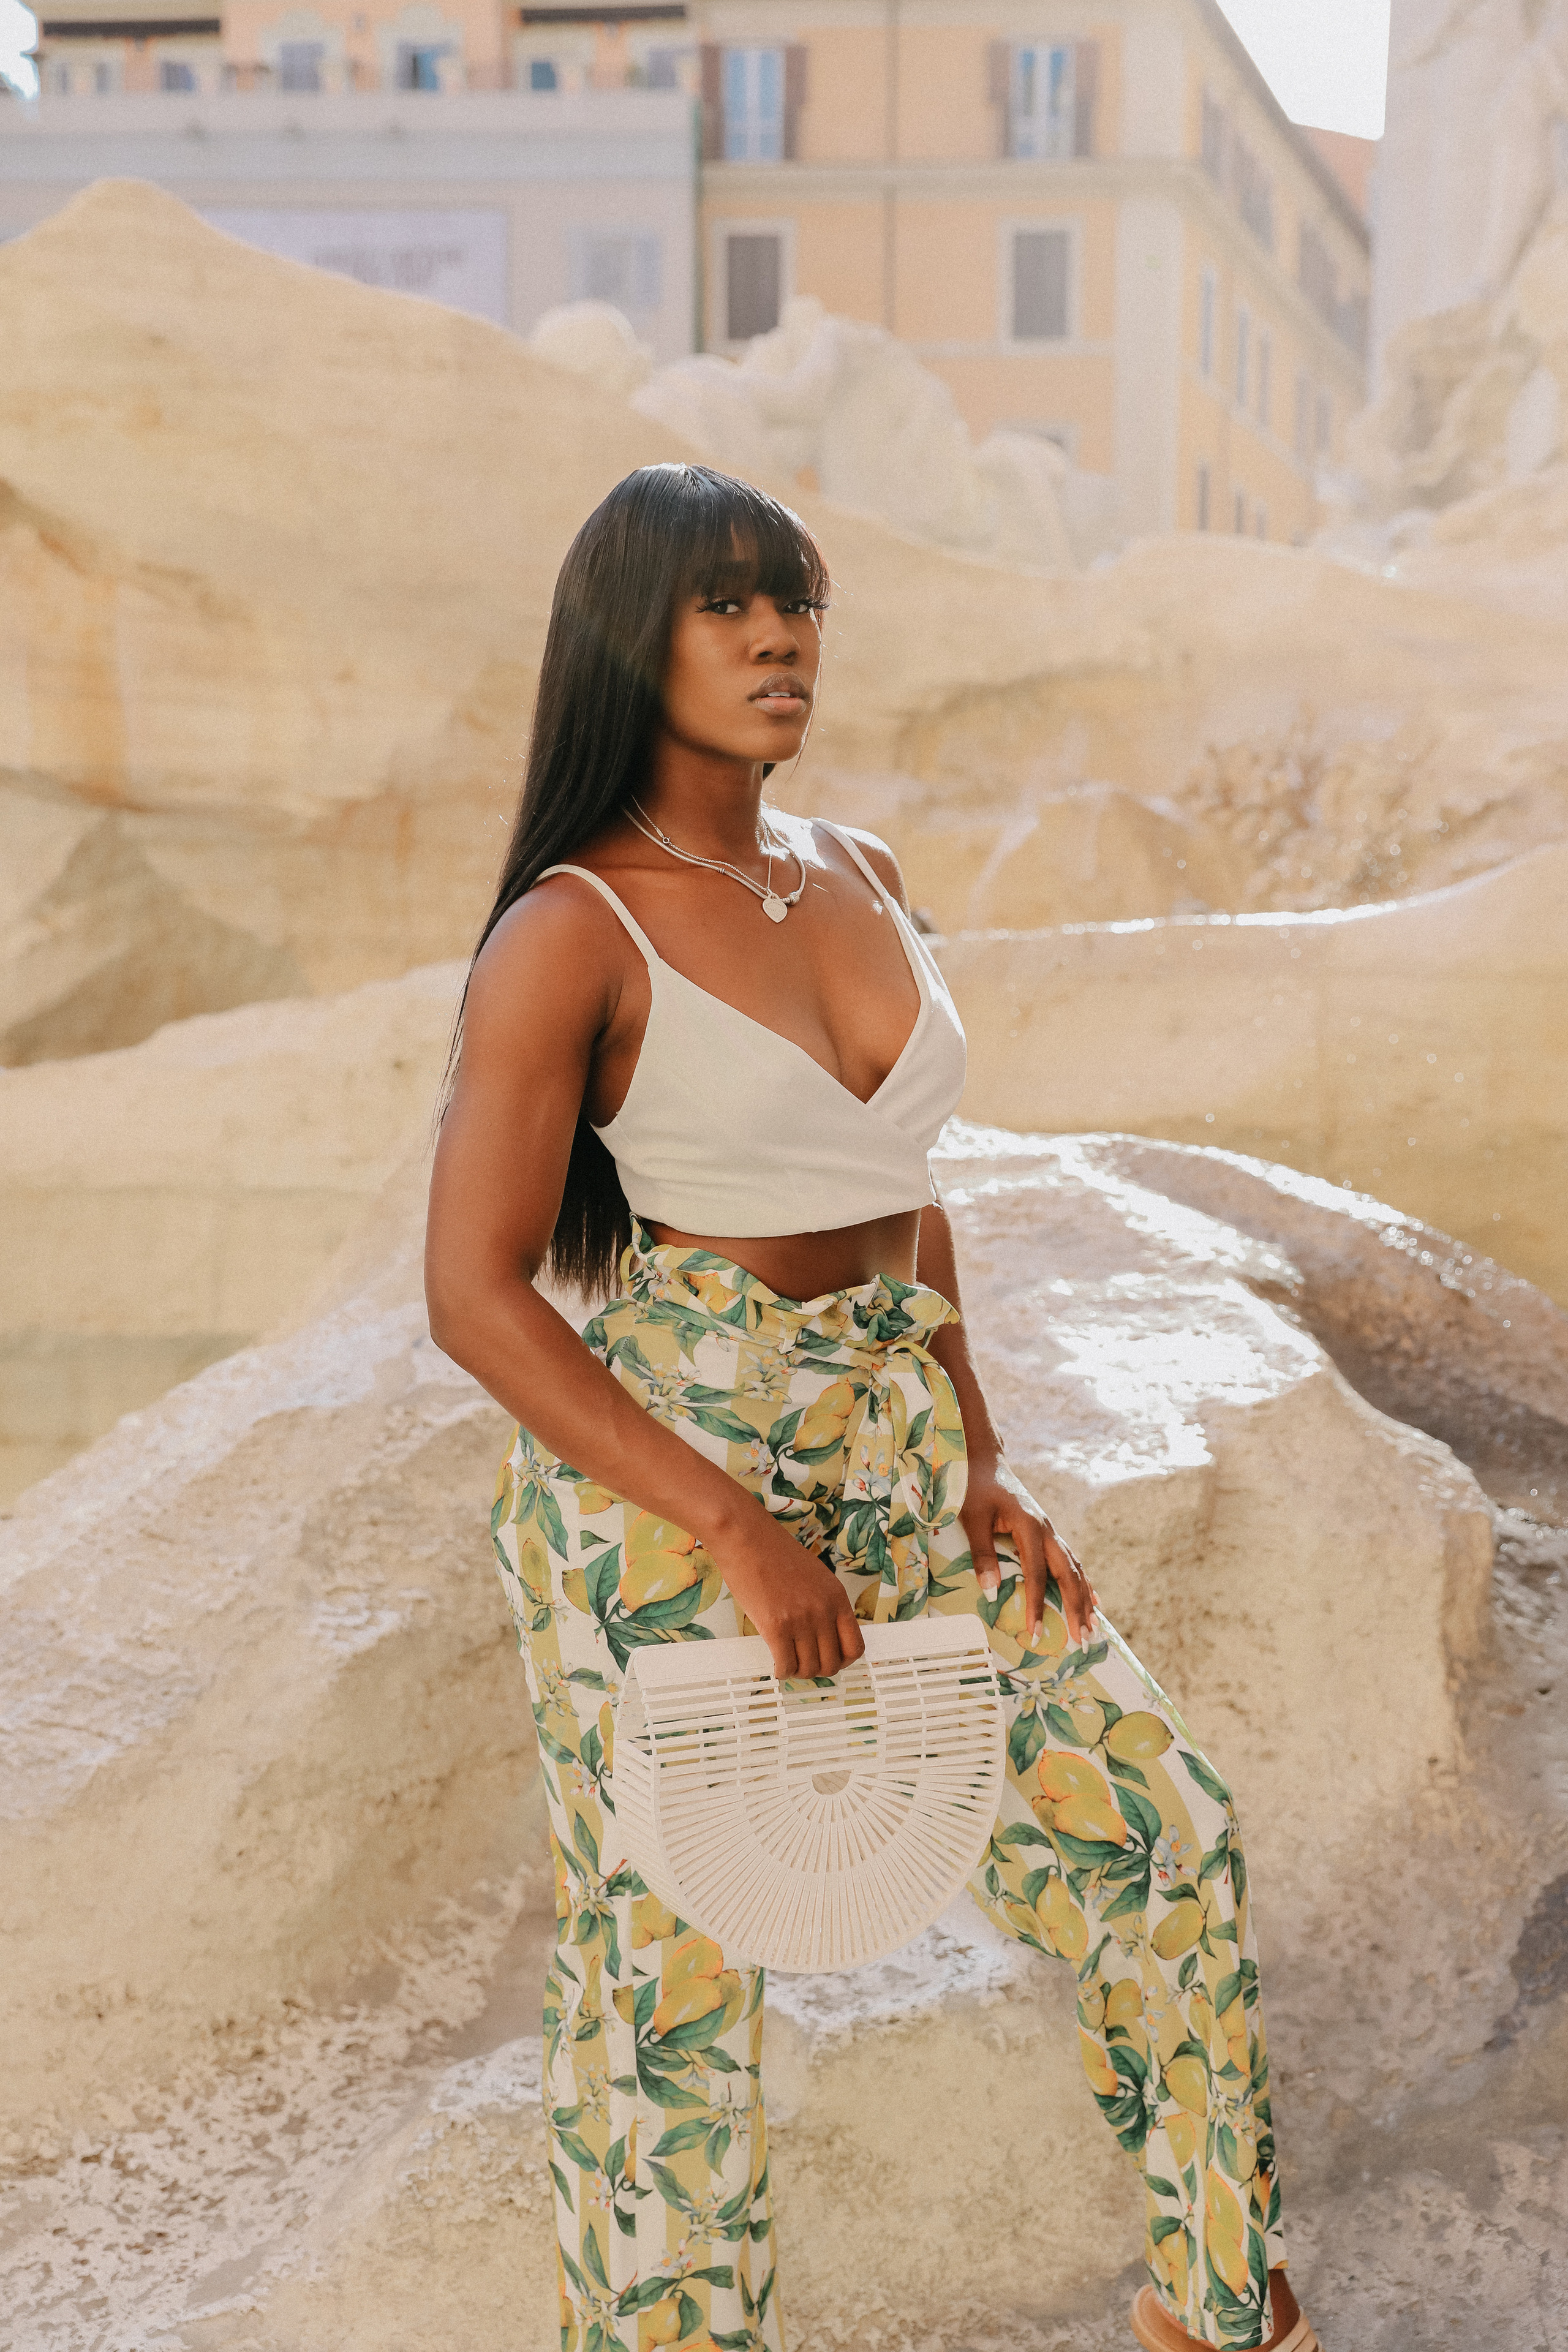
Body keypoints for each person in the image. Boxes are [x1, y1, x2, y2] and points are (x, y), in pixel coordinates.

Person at [424, 463, 1316, 2352]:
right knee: (670, 2005)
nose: (776, 637)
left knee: (1162, 1834)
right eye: (724, 605)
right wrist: (731, 1528)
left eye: (795, 601)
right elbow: (472, 1291)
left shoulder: (864, 878)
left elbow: (910, 1188)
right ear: (629, 641)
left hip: (900, 1465)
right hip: (670, 1494)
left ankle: (1225, 2312)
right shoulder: (570, 931)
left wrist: (981, 1454)